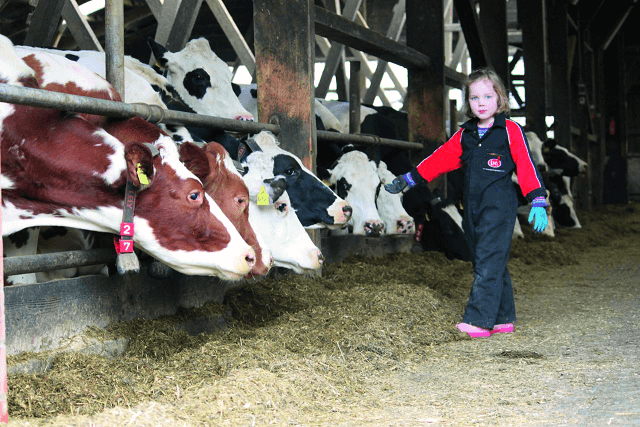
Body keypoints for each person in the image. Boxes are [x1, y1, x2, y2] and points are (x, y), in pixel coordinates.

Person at [385, 68, 548, 338]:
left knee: (488, 260)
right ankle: (502, 318)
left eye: (487, 96)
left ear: (500, 99)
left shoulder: (510, 130)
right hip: (471, 208)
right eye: (474, 98)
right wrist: (410, 179)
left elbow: (526, 166)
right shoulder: (466, 134)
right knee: (488, 260)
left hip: (499, 207)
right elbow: (440, 159)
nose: (481, 102)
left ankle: (479, 320)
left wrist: (538, 200)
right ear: (468, 102)